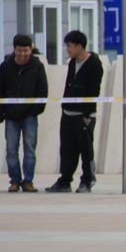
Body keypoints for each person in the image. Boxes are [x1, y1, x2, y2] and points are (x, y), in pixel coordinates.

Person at [45, 31, 103, 194]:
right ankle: (65, 180)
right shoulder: (72, 63)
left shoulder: (94, 64)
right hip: (68, 113)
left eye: (69, 46)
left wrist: (87, 114)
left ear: (79, 46)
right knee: (67, 149)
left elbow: (94, 91)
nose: (67, 49)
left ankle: (87, 180)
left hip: (84, 115)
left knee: (85, 149)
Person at [0, 34, 48, 193]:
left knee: (29, 148)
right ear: (14, 49)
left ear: (31, 50)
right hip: (11, 115)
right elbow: (0, 91)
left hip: (30, 115)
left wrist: (35, 110)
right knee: (11, 149)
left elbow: (43, 90)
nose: (23, 54)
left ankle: (28, 181)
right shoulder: (5, 66)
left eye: (26, 51)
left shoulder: (37, 66)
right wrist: (0, 113)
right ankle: (15, 181)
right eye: (19, 50)